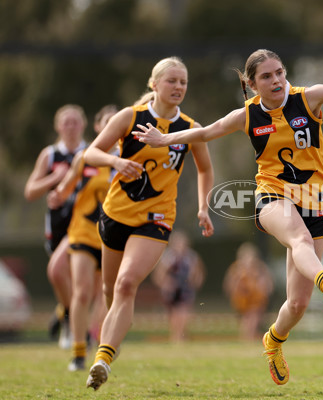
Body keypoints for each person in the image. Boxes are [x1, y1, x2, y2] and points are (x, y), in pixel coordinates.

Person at [135, 48, 323, 385]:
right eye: (267, 76)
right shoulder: (247, 115)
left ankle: (273, 340)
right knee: (298, 238)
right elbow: (206, 132)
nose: (276, 80)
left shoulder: (309, 98)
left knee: (297, 305)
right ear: (252, 84)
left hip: (315, 200)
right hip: (273, 195)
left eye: (279, 73)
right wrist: (164, 137)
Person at [82, 57, 215, 391]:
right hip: (115, 215)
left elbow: (204, 169)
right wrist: (116, 161)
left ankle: (102, 360)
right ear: (154, 84)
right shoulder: (130, 117)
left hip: (156, 219)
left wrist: (203, 207)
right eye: (172, 80)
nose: (179, 87)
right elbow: (90, 154)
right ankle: (113, 338)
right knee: (109, 291)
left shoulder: (189, 127)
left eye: (183, 81)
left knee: (127, 284)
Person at [48, 105, 119, 371]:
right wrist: (58, 195)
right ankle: (78, 354)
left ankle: (98, 339)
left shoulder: (131, 158)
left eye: (119, 121)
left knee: (107, 292)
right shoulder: (86, 157)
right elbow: (65, 188)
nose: (115, 126)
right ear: (99, 128)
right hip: (83, 233)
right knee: (81, 291)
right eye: (108, 122)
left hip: (113, 235)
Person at [24, 104, 88, 349]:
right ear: (57, 126)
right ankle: (68, 316)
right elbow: (30, 191)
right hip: (58, 227)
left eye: (75, 122)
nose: (71, 127)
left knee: (67, 275)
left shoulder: (91, 151)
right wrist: (54, 178)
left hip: (85, 226)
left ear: (83, 125)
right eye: (66, 122)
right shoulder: (50, 155)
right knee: (62, 277)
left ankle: (75, 326)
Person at [151, 230, 206, 343]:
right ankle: (176, 334)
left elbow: (199, 271)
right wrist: (165, 284)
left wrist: (196, 282)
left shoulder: (191, 256)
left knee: (184, 310)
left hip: (186, 288)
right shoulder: (168, 256)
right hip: (172, 289)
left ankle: (181, 335)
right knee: (173, 313)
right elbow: (159, 274)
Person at [223, 242, 273, 341]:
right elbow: (229, 283)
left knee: (254, 318)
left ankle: (249, 337)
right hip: (242, 299)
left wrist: (265, 292)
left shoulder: (259, 268)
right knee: (246, 320)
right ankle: (248, 337)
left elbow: (267, 282)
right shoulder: (237, 269)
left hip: (257, 298)